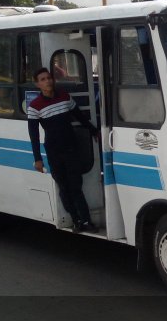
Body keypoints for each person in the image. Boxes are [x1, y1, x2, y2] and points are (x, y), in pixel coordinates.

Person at [27, 68, 99, 233]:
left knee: (76, 186)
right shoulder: (35, 106)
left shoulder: (65, 97)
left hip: (71, 148)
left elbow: (79, 116)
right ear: (37, 84)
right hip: (53, 152)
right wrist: (37, 159)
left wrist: (93, 131)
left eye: (49, 78)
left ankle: (87, 220)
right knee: (64, 187)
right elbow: (34, 134)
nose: (47, 81)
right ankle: (76, 221)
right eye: (43, 79)